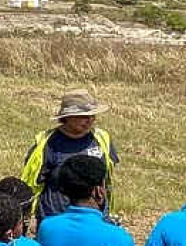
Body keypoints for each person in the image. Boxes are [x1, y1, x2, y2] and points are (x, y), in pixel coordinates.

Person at [21, 89, 118, 227]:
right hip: (56, 222)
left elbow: (106, 180)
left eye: (92, 115)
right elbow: (31, 185)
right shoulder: (47, 144)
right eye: (84, 116)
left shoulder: (102, 139)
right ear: (67, 117)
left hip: (97, 221)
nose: (90, 120)